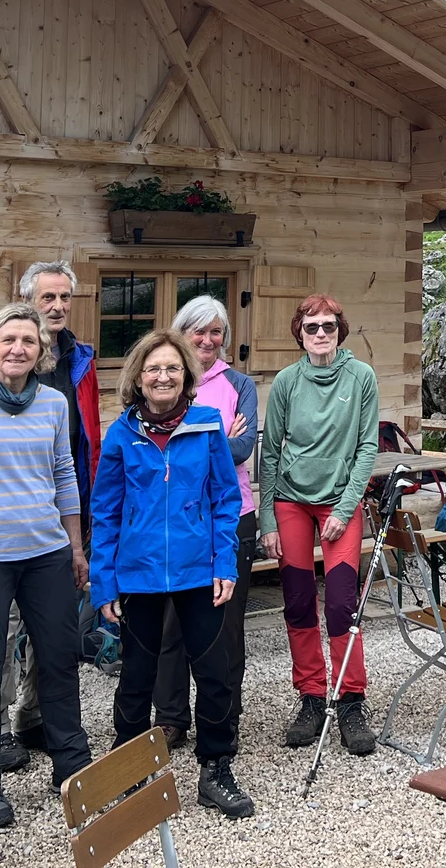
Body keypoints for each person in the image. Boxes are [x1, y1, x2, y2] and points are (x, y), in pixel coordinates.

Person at [88, 330, 253, 819]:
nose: (163, 376)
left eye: (173, 369)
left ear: (187, 377)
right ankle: (130, 768)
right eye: (154, 369)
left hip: (199, 571)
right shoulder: (121, 433)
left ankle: (217, 767)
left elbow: (226, 500)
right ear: (138, 378)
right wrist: (105, 581)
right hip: (137, 575)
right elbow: (106, 510)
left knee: (214, 671)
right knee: (136, 677)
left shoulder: (206, 426)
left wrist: (224, 562)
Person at [0, 303, 92, 830]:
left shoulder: (55, 403)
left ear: (41, 352)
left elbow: (63, 474)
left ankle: (72, 767)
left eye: (28, 342)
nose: (18, 349)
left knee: (59, 661)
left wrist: (76, 547)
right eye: (8, 339)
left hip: (47, 553)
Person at [258, 294, 380, 756]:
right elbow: (269, 452)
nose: (321, 334)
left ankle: (350, 699)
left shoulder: (361, 377)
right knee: (297, 600)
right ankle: (311, 696)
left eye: (329, 325)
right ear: (300, 333)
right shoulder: (288, 381)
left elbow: (368, 446)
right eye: (312, 327)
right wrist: (268, 518)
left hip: (339, 502)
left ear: (340, 330)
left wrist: (346, 510)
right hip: (291, 500)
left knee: (343, 604)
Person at [0, 262, 102, 772]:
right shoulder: (9, 358)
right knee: (5, 626)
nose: (57, 306)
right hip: (10, 514)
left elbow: (86, 436)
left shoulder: (82, 359)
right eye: (47, 297)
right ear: (28, 300)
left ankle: (32, 715)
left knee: (52, 625)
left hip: (68, 502)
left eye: (64, 297)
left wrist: (86, 514)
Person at [153, 295, 259, 751]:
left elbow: (242, 450)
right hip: (174, 519)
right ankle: (171, 717)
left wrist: (192, 437)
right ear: (182, 332)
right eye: (199, 330)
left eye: (216, 331)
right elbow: (158, 444)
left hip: (233, 516)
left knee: (226, 624)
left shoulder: (240, 384)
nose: (207, 340)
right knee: (171, 624)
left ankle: (223, 714)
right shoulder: (167, 378)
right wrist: (216, 432)